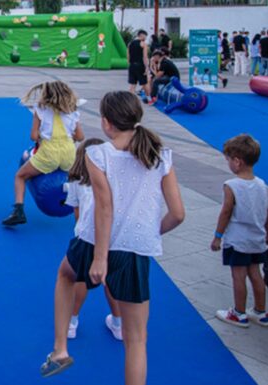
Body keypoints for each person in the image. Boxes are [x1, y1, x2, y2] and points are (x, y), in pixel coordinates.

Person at [40, 91, 185, 382]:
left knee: (66, 276)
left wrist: (100, 258)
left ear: (106, 123)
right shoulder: (161, 156)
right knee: (136, 341)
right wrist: (148, 231)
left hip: (94, 242)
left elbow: (104, 207)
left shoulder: (98, 154)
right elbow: (178, 214)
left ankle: (60, 349)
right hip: (135, 249)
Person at [63, 138, 122, 341]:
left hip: (87, 237)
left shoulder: (76, 181)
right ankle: (118, 322)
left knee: (80, 279)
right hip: (112, 237)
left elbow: (77, 213)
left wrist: (81, 231)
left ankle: (71, 321)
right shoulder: (113, 181)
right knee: (110, 280)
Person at [2, 81, 84, 226]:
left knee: (20, 176)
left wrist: (43, 135)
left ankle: (18, 211)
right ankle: (83, 215)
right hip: (68, 153)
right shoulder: (73, 111)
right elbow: (80, 137)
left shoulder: (40, 110)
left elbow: (33, 136)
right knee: (79, 182)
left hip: (49, 153)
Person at [210, 135, 268, 328]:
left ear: (237, 161)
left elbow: (226, 212)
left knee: (238, 275)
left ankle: (239, 312)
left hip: (238, 240)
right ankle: (261, 311)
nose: (227, 163)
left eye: (227, 159)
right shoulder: (262, 185)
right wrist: (267, 232)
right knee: (256, 273)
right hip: (257, 240)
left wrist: (218, 236)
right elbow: (266, 211)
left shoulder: (232, 186)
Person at [127, 30, 150, 102]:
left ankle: (130, 100)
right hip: (140, 65)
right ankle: (149, 98)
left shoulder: (130, 44)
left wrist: (129, 64)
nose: (146, 38)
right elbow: (145, 57)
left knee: (133, 84)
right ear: (142, 35)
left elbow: (128, 55)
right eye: (145, 36)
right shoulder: (143, 44)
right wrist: (146, 67)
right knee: (144, 83)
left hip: (132, 65)